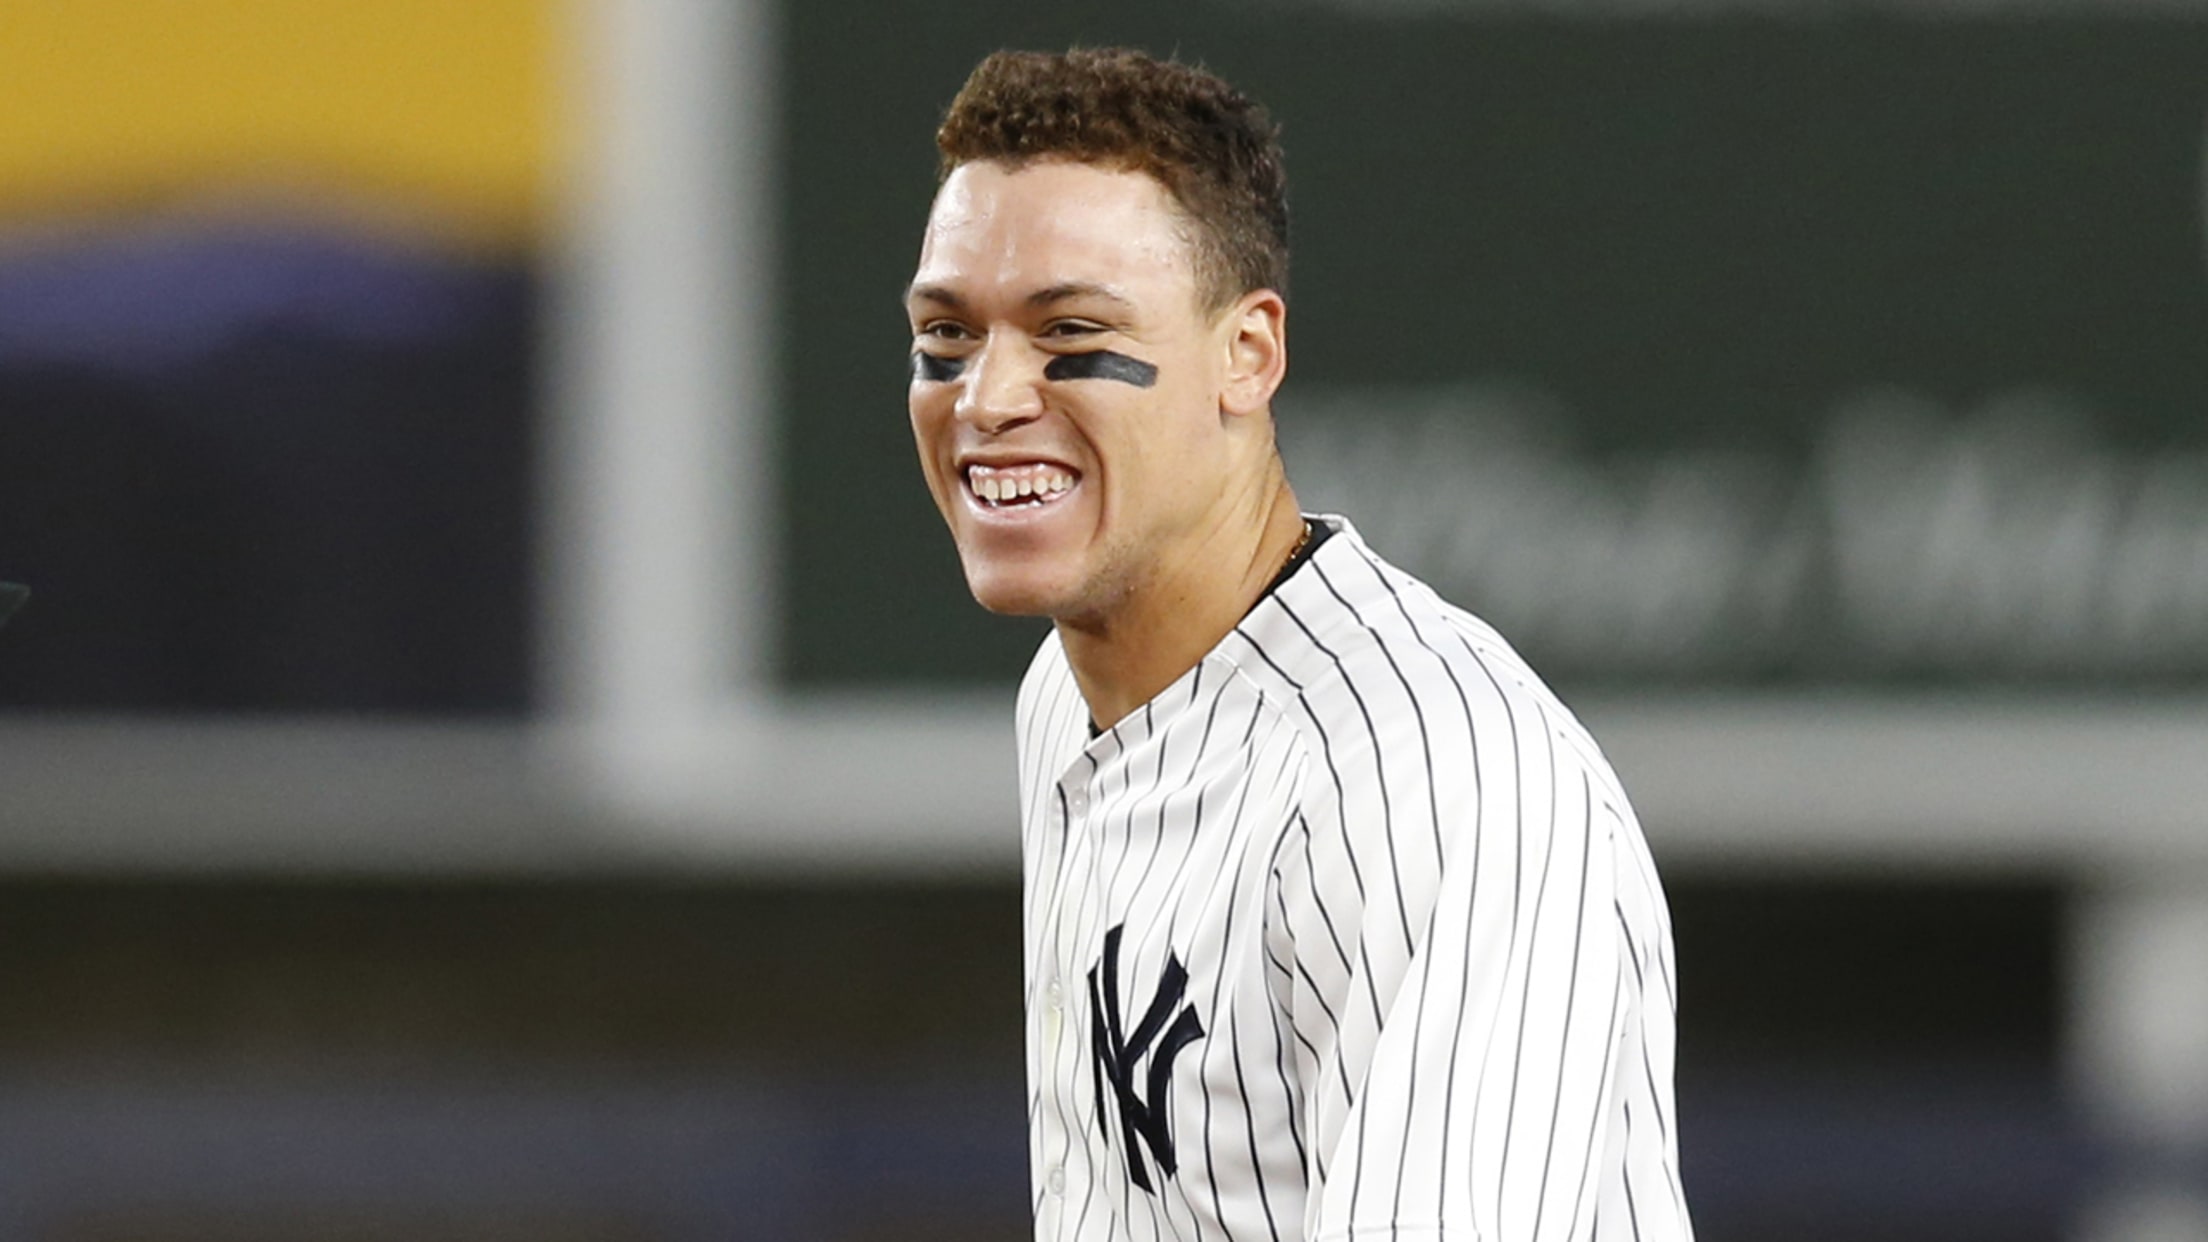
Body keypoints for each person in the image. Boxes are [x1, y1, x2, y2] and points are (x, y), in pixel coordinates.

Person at [905, 47, 1691, 1242]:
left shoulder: (1434, 779)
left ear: (1248, 355)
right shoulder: (1069, 700)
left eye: (1069, 329)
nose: (988, 395)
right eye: (948, 333)